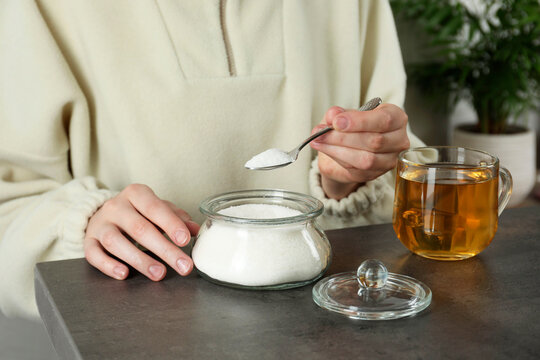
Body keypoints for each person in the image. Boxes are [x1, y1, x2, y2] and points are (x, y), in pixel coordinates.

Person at [0, 0, 424, 319]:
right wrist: (84, 223)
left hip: (341, 327)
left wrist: (353, 178)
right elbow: (10, 208)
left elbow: (407, 170)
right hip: (146, 334)